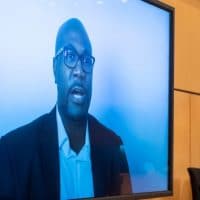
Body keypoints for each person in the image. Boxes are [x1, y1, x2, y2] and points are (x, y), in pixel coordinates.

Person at [0, 18, 131, 200]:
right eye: (69, 56)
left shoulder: (114, 147)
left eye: (86, 60)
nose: (79, 71)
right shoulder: (12, 151)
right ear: (55, 68)